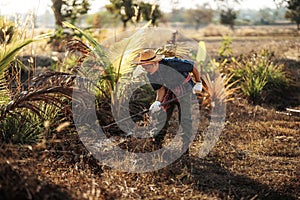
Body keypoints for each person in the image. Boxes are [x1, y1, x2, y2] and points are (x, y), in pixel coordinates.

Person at [133, 49, 202, 156]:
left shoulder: (172, 63)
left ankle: (185, 148)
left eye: (147, 67)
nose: (146, 69)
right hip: (169, 89)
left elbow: (193, 66)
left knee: (185, 118)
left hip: (184, 88)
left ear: (155, 63)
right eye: (144, 67)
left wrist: (198, 82)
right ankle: (157, 143)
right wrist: (157, 102)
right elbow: (160, 89)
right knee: (162, 115)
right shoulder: (151, 74)